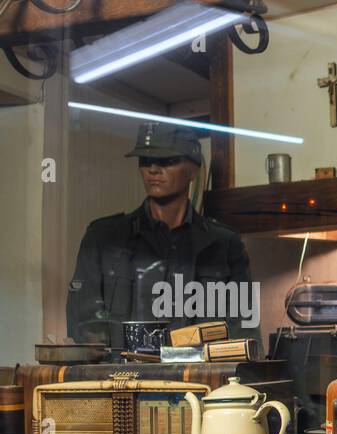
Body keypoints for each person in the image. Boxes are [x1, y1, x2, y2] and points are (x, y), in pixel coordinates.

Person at [65, 122, 253, 349]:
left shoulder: (223, 244)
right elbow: (85, 327)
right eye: (145, 161)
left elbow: (242, 333)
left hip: (198, 380)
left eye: (167, 161)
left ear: (193, 170)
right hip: (120, 381)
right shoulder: (104, 238)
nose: (153, 169)